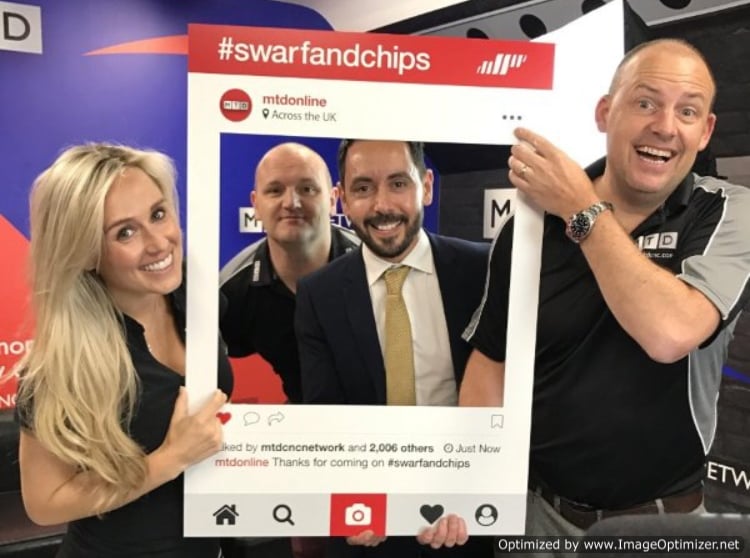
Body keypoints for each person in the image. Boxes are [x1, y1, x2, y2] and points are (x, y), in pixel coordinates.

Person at [459, 38, 750, 550]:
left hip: (661, 526)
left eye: (687, 111)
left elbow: (670, 333)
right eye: (646, 102)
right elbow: (491, 365)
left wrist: (580, 209)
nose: (665, 126)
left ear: (705, 131)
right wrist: (470, 485)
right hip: (540, 517)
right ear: (605, 112)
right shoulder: (529, 225)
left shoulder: (728, 211)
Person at [15, 143, 233, 558]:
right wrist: (169, 459)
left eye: (158, 214)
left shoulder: (195, 295)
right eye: (125, 232)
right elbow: (44, 502)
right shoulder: (62, 362)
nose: (159, 243)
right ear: (86, 252)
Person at [295, 139, 493, 558]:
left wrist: (468, 491)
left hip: (467, 518)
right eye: (363, 188)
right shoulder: (318, 295)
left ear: (427, 186)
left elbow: (506, 404)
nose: (382, 205)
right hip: (366, 526)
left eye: (398, 183)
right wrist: (352, 503)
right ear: (342, 198)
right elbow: (326, 417)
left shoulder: (484, 271)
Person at [220, 142, 359, 404]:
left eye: (307, 189)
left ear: (333, 199)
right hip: (300, 419)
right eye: (275, 190)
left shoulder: (377, 268)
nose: (291, 203)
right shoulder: (231, 291)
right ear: (256, 205)